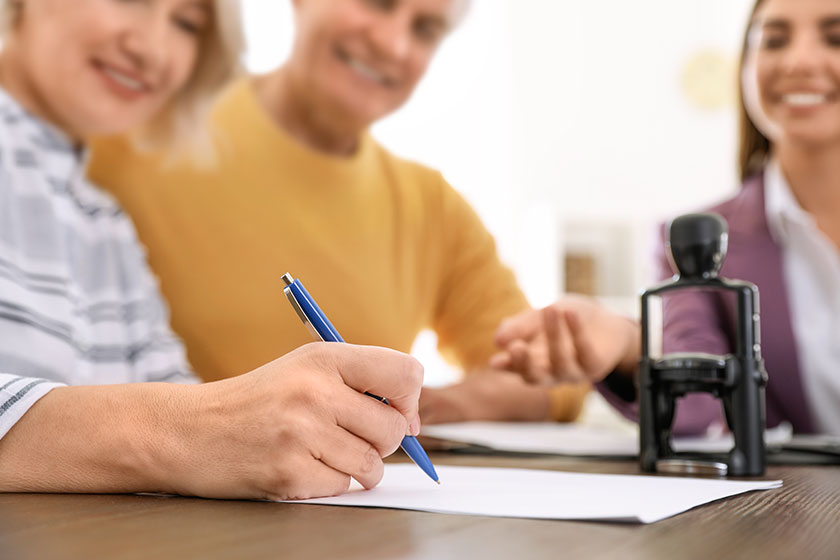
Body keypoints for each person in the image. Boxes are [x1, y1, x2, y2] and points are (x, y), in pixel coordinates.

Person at [88, 0, 590, 425]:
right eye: (377, 2)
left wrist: (438, 405)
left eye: (425, 29)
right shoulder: (134, 125)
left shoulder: (432, 207)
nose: (394, 45)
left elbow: (552, 377)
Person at [0, 0, 424, 500]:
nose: (152, 49)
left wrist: (260, 426)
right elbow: (188, 427)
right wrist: (177, 436)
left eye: (186, 24)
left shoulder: (104, 224)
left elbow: (180, 403)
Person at [492, 0, 840, 437]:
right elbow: (696, 406)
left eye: (835, 38)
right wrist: (624, 346)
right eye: (773, 40)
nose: (799, 61)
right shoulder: (695, 240)